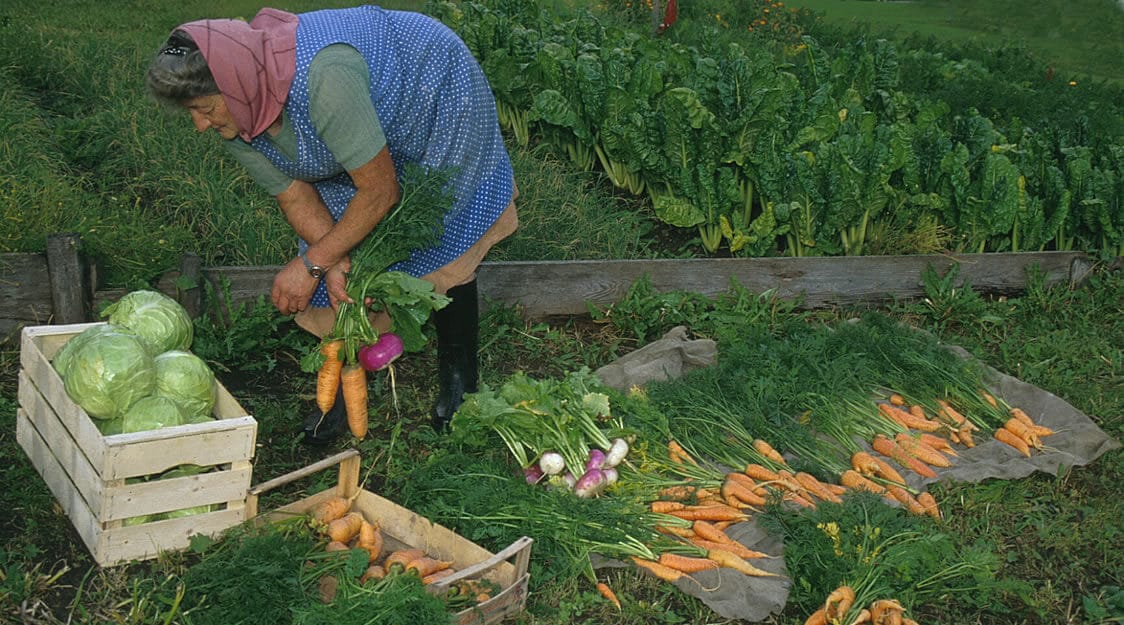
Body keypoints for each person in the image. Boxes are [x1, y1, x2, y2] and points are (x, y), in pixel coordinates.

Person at [145, 5, 518, 443]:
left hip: (431, 91)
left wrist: (312, 263)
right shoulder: (239, 112)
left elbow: (380, 192)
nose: (198, 124)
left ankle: (459, 382)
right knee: (344, 249)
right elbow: (295, 193)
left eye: (203, 108)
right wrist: (330, 260)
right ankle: (341, 390)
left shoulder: (325, 78)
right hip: (359, 114)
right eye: (192, 111)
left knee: (438, 225)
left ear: (233, 85)